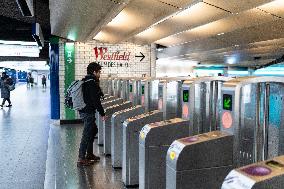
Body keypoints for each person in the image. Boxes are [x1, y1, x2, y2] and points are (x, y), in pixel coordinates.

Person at [77, 62, 106, 166]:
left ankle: (89, 154)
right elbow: (95, 100)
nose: (100, 74)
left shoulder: (87, 80)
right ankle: (81, 158)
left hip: (85, 110)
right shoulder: (91, 82)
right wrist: (102, 113)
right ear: (94, 72)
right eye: (99, 72)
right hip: (87, 112)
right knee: (87, 134)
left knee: (93, 130)